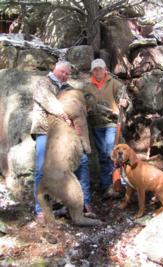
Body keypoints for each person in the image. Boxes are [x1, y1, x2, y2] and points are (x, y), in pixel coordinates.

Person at [30, 61, 92, 222]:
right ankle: (41, 210)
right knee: (41, 169)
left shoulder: (67, 88)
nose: (64, 75)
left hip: (66, 134)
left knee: (83, 162)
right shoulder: (43, 82)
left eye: (67, 73)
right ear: (54, 70)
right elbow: (46, 100)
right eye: (62, 72)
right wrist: (63, 114)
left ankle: (84, 204)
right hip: (45, 130)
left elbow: (79, 106)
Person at [84, 58, 131, 198]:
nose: (98, 71)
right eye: (95, 69)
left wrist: (126, 103)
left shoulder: (115, 84)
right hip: (96, 125)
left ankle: (120, 184)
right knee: (104, 156)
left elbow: (127, 101)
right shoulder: (87, 87)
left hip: (112, 124)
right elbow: (87, 104)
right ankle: (107, 187)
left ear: (105, 70)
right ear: (92, 71)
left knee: (112, 154)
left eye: (100, 68)